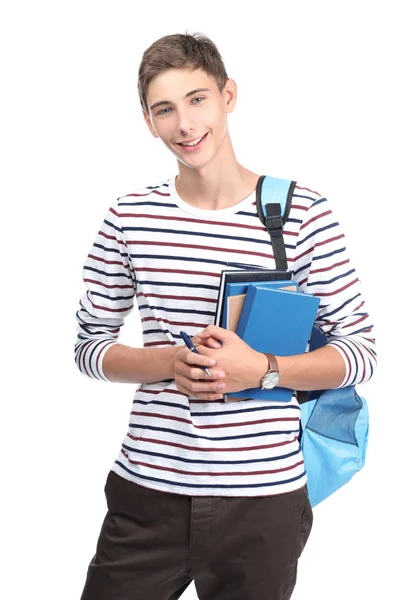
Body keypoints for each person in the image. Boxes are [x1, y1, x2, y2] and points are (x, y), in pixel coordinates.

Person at [75, 32, 376, 600]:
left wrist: (262, 369)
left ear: (227, 95)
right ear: (148, 120)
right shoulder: (129, 216)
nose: (185, 125)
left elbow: (360, 353)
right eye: (165, 109)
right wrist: (168, 362)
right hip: (148, 494)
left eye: (197, 100)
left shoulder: (300, 213)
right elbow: (90, 347)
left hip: (266, 505)